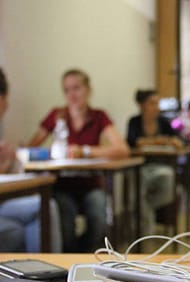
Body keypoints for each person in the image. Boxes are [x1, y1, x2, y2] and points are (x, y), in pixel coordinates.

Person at [28, 69, 129, 252]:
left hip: (91, 185)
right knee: (65, 218)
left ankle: (85, 255)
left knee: (99, 218)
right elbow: (31, 148)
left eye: (76, 88)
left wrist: (86, 151)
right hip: (62, 185)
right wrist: (51, 153)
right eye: (66, 90)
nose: (71, 94)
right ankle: (69, 262)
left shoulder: (99, 116)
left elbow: (122, 149)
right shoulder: (57, 115)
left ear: (88, 90)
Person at [0, 67, 62, 252]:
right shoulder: (58, 114)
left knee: (45, 210)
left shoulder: (98, 116)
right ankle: (48, 278)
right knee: (45, 207)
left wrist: (7, 163)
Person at [127, 89, 181, 234]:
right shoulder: (134, 122)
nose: (156, 107)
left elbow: (179, 139)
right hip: (140, 166)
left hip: (161, 167)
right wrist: (158, 141)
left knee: (170, 183)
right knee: (137, 188)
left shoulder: (164, 122)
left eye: (157, 103)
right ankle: (144, 228)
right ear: (142, 105)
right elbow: (132, 142)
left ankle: (147, 211)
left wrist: (172, 141)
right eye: (152, 103)